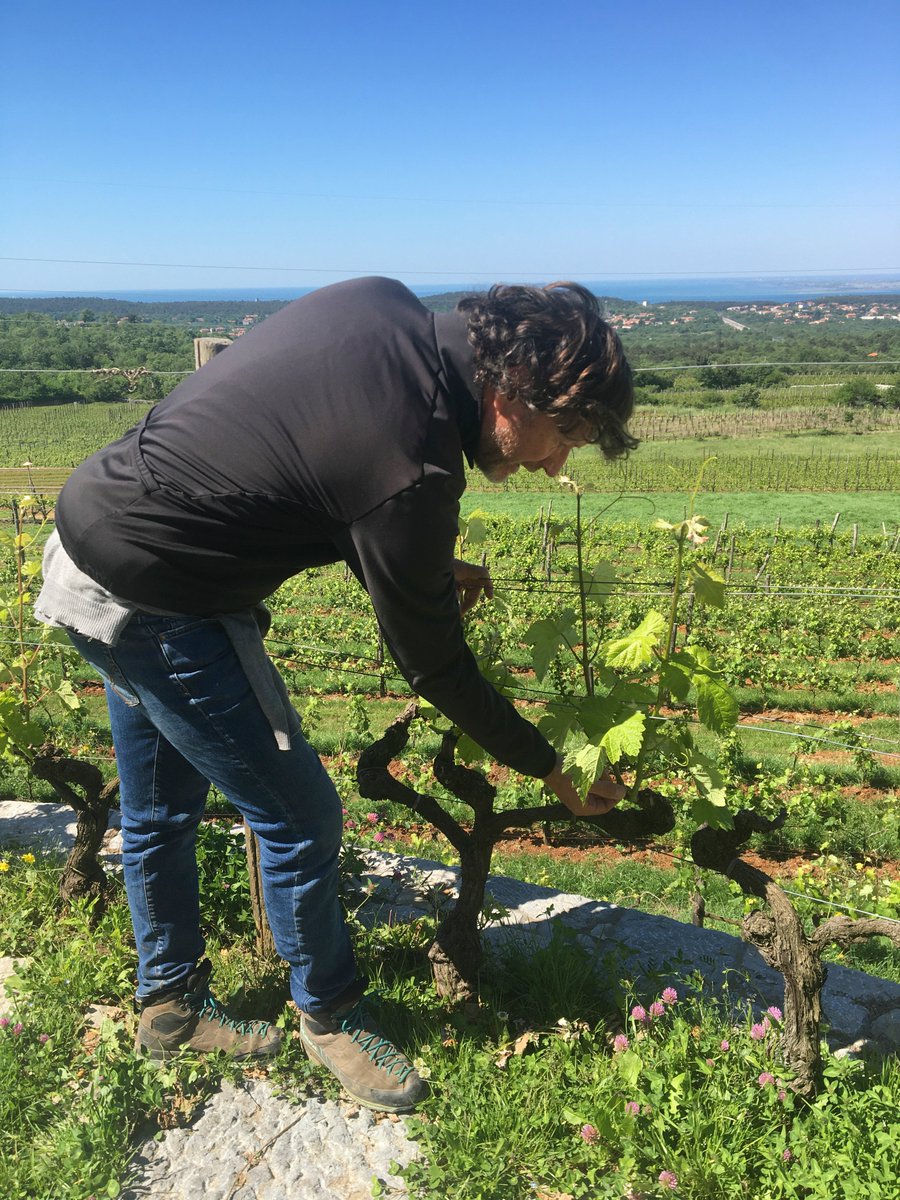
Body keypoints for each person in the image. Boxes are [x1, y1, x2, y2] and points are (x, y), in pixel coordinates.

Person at [35, 276, 636, 1113]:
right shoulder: (413, 474)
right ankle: (332, 1018)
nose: (553, 461)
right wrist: (548, 765)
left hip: (91, 536)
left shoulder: (386, 305)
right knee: (301, 815)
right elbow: (434, 666)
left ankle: (169, 1007)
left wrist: (420, 563)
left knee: (161, 811)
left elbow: (319, 464)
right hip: (161, 603)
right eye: (560, 433)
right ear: (507, 392)